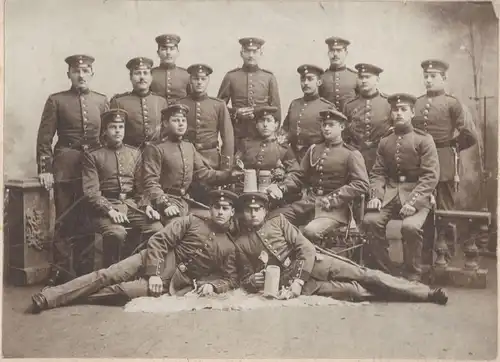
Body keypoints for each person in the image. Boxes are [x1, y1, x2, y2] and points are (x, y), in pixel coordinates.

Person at [27, 190, 240, 314]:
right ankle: (49, 297)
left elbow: (230, 278)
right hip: (151, 258)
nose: (220, 212)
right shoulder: (191, 221)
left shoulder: (229, 246)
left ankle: (68, 297)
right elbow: (159, 240)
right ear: (210, 209)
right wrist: (154, 272)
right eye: (216, 207)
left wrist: (213, 285)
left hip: (173, 282)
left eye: (225, 209)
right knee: (106, 275)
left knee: (120, 291)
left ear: (232, 212)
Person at [234, 192, 448, 304]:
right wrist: (253, 281)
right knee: (353, 291)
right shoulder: (241, 243)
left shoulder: (278, 222)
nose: (253, 214)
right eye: (249, 210)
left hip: (316, 265)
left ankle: (426, 294)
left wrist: (299, 280)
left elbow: (306, 249)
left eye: (258, 209)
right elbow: (244, 279)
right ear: (242, 214)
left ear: (265, 211)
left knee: (366, 275)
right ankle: (400, 295)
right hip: (293, 285)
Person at [36, 54, 109, 285]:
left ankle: (85, 270)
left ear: (92, 74)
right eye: (76, 71)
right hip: (66, 166)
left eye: (86, 71)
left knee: (88, 219)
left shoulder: (101, 101)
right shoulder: (56, 100)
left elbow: (107, 138)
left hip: (93, 169)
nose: (81, 75)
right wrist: (45, 168)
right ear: (69, 74)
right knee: (65, 219)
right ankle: (61, 271)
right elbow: (45, 138)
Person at [362, 93, 440, 281]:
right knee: (370, 221)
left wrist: (414, 202)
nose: (398, 113)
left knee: (411, 227)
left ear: (412, 113)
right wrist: (376, 196)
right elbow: (378, 173)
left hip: (417, 193)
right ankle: (385, 271)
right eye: (395, 110)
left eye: (403, 110)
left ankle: (413, 273)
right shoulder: (385, 141)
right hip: (389, 193)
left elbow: (430, 176)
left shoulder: (424, 140)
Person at [267, 109, 369, 244]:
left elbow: (361, 183)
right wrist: (282, 188)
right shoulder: (314, 149)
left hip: (334, 209)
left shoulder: (351, 154)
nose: (326, 128)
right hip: (309, 203)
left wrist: (334, 198)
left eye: (331, 125)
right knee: (273, 218)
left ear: (342, 127)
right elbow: (299, 176)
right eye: (324, 124)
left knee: (311, 231)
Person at [82, 109, 163, 267]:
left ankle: (140, 270)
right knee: (117, 233)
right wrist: (110, 210)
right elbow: (91, 192)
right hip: (105, 207)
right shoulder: (93, 155)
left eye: (121, 127)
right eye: (113, 127)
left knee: (156, 229)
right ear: (105, 130)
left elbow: (141, 187)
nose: (118, 131)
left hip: (131, 205)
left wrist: (147, 206)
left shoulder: (134, 153)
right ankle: (109, 273)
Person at [413, 59, 477, 257]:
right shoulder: (417, 102)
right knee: (422, 207)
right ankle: (424, 254)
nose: (429, 81)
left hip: (444, 161)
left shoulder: (452, 103)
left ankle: (446, 253)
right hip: (420, 162)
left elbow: (469, 134)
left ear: (444, 78)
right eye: (426, 77)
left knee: (445, 207)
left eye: (433, 77)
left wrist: (453, 147)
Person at [142, 104, 242, 222]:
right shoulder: (156, 149)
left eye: (183, 120)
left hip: (185, 201)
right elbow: (150, 183)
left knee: (214, 221)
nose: (181, 124)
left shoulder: (189, 147)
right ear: (165, 123)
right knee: (179, 228)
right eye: (175, 120)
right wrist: (166, 204)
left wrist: (230, 175)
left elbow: (203, 174)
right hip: (165, 204)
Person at [217, 37, 281, 149]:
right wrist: (236, 113)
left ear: (261, 53)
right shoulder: (231, 77)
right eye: (247, 51)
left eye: (255, 51)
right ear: (241, 53)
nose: (251, 55)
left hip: (261, 136)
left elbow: (276, 110)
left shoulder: (269, 78)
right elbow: (218, 107)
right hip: (237, 134)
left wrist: (272, 136)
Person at [234, 106, 301, 201]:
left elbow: (296, 174)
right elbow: (234, 168)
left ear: (276, 125)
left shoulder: (283, 147)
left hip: (271, 198)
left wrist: (280, 187)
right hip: (246, 196)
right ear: (256, 124)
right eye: (261, 121)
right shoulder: (246, 145)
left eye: (269, 121)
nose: (265, 125)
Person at [177, 63, 234, 170]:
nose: (199, 82)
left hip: (211, 159)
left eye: (203, 79)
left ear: (208, 80)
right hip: (186, 157)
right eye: (196, 79)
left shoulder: (218, 105)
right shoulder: (180, 104)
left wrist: (226, 167)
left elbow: (227, 137)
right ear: (190, 80)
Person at [281, 64, 337, 162]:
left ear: (319, 82)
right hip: (292, 157)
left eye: (310, 79)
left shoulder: (327, 107)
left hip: (315, 157)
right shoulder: (295, 104)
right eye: (303, 79)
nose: (305, 83)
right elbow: (285, 130)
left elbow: (333, 137)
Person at [343, 63, 391, 172]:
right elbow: (345, 137)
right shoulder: (349, 105)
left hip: (382, 160)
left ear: (377, 80)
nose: (363, 80)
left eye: (367, 77)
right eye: (361, 77)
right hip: (356, 160)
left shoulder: (388, 103)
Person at [110, 57, 168, 148]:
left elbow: (166, 132)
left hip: (156, 153)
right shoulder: (119, 102)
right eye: (137, 73)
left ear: (151, 77)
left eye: (145, 73)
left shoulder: (161, 101)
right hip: (130, 153)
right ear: (130, 77)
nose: (142, 77)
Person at [319, 37, 358, 111]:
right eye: (332, 50)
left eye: (339, 50)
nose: (335, 54)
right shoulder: (321, 78)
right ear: (328, 53)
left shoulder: (355, 77)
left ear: (346, 53)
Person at [150, 34, 190, 105]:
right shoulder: (150, 74)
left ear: (178, 52)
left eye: (172, 49)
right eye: (164, 49)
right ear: (158, 53)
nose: (168, 52)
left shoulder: (186, 75)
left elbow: (192, 100)